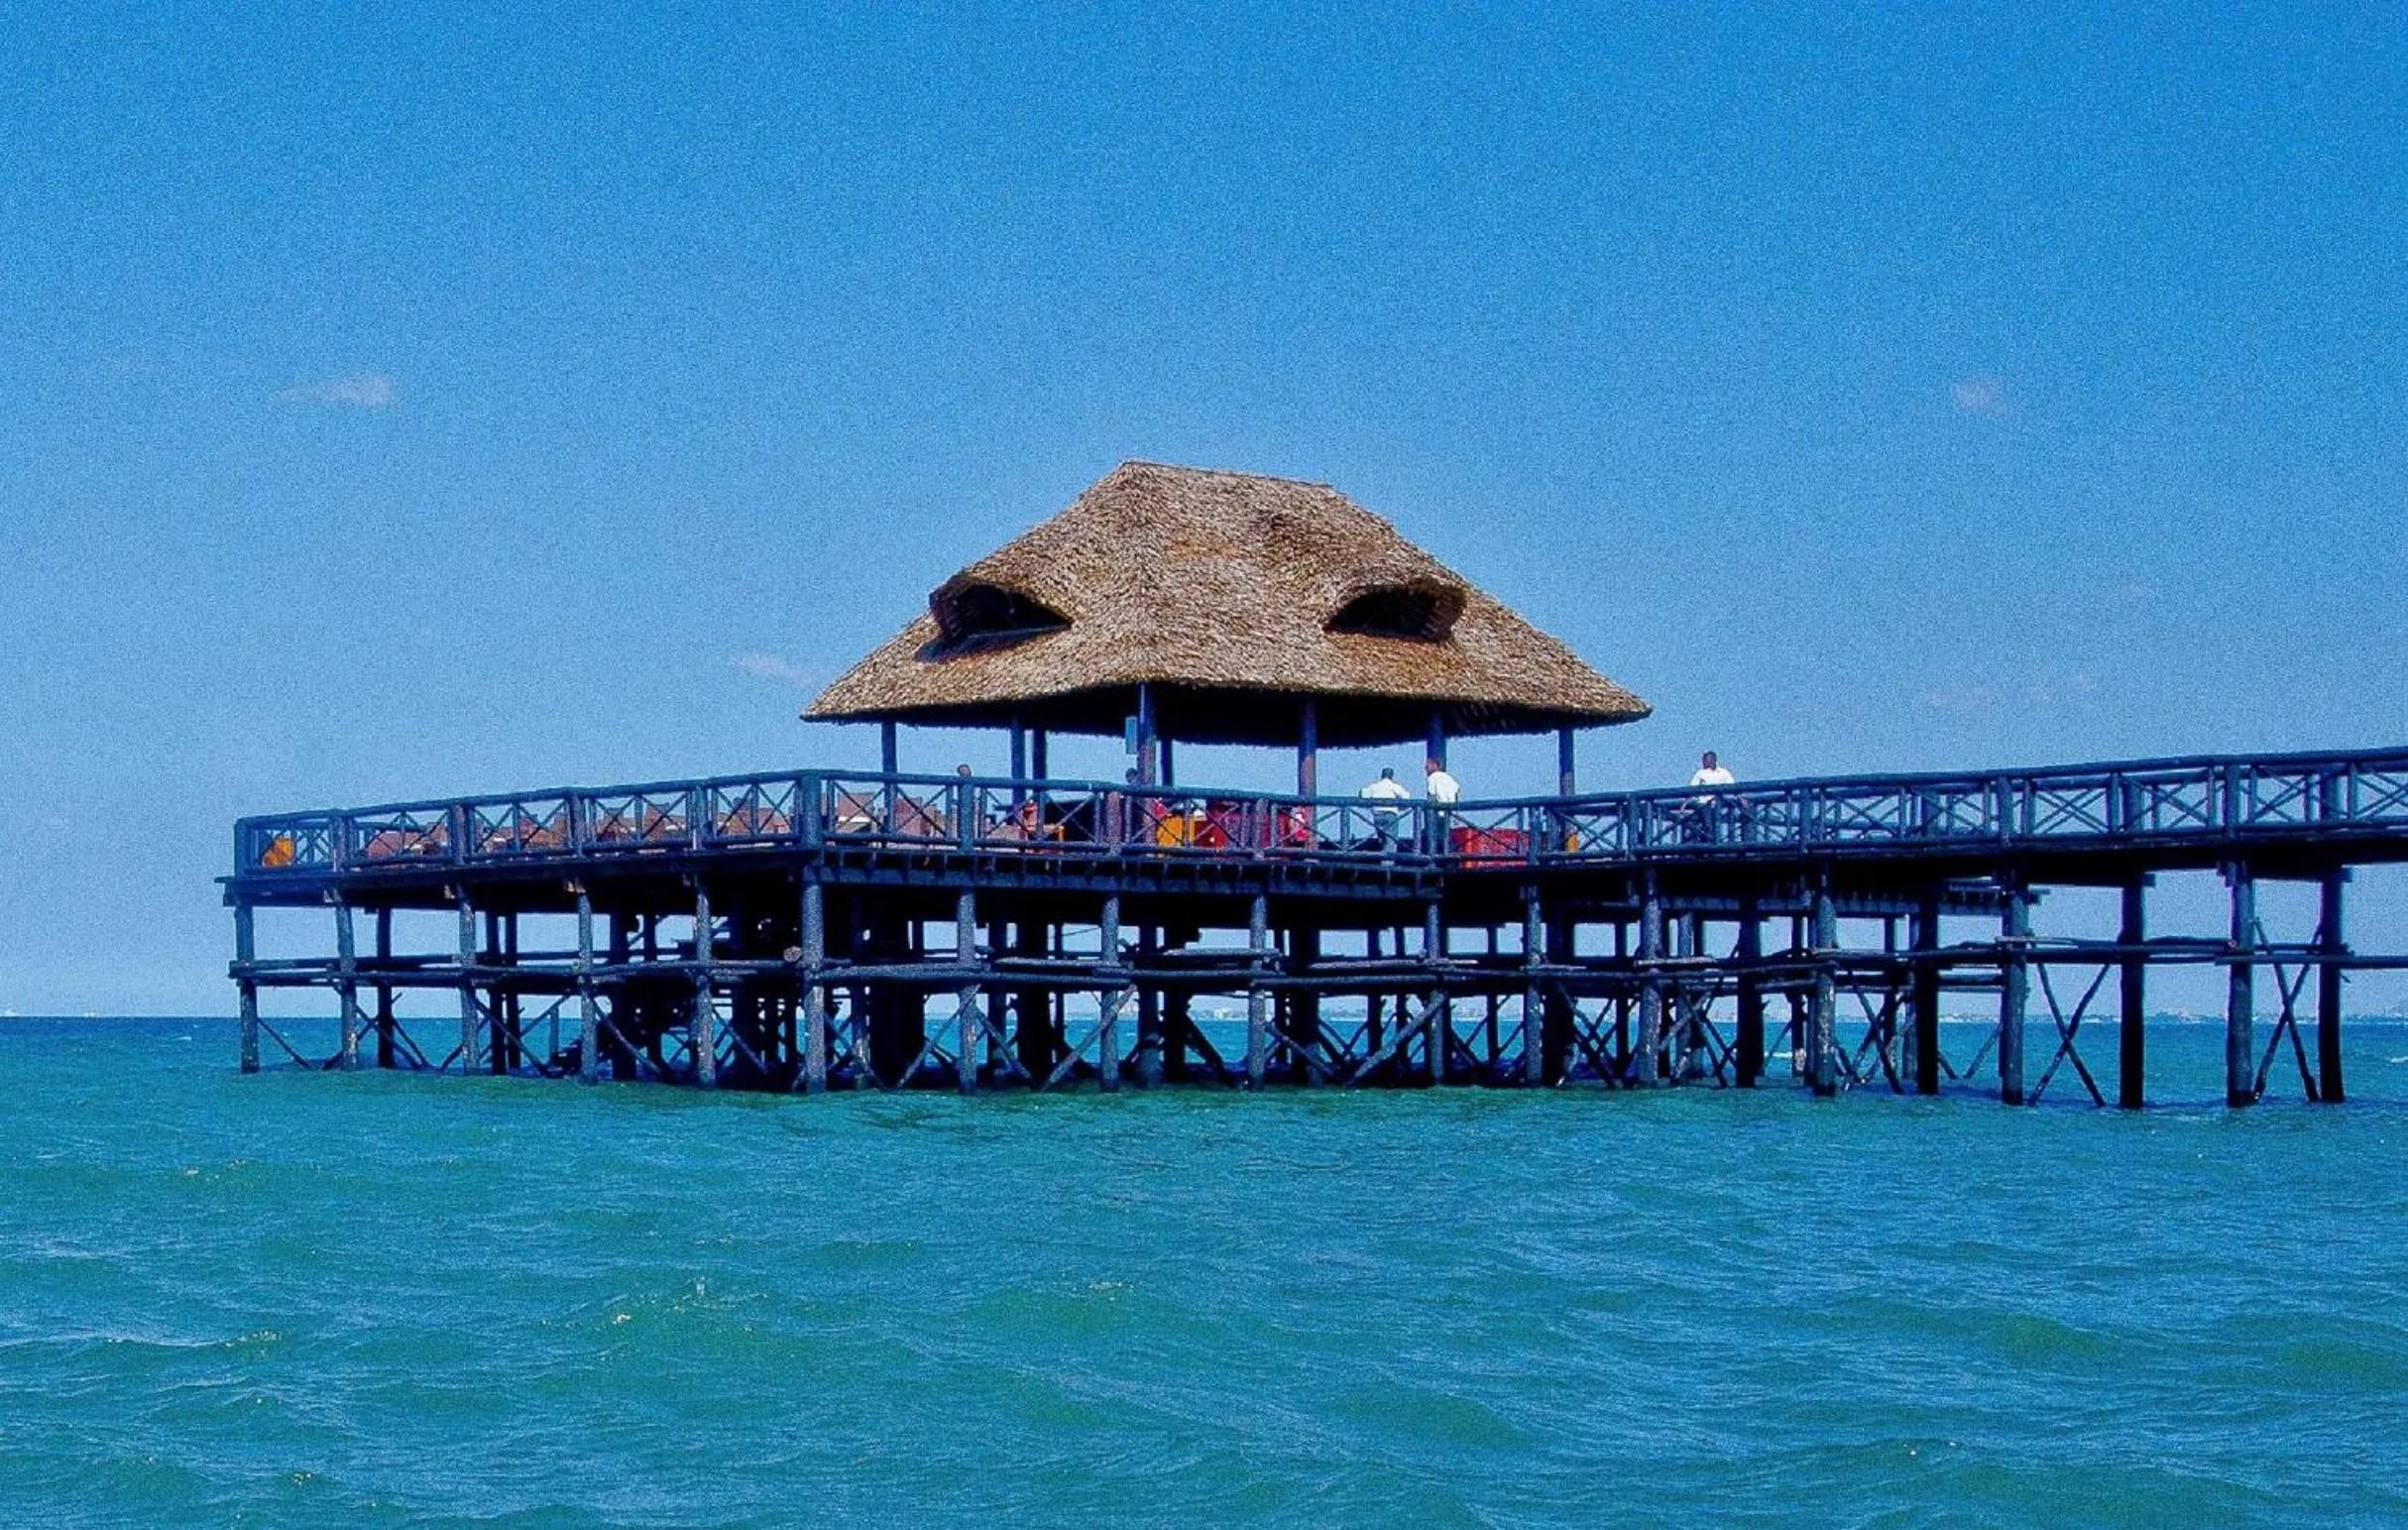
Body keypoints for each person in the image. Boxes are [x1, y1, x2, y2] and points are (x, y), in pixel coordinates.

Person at [1359, 766, 1411, 851]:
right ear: (1392, 776)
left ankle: (1382, 856)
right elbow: (1406, 797)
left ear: (1381, 775)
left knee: (1382, 840)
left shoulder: (1374, 786)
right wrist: (1401, 808)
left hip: (1377, 815)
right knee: (1391, 841)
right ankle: (1388, 862)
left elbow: (1363, 794)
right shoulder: (1394, 786)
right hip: (1390, 815)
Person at [1423, 757, 1460, 854]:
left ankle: (1433, 857)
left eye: (1428, 765)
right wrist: (1456, 814)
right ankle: (1450, 855)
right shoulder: (1449, 778)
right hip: (1449, 812)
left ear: (1435, 765)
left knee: (1433, 836)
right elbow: (1456, 794)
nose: (1425, 768)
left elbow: (1432, 796)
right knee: (1446, 836)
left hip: (1438, 813)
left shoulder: (1432, 778)